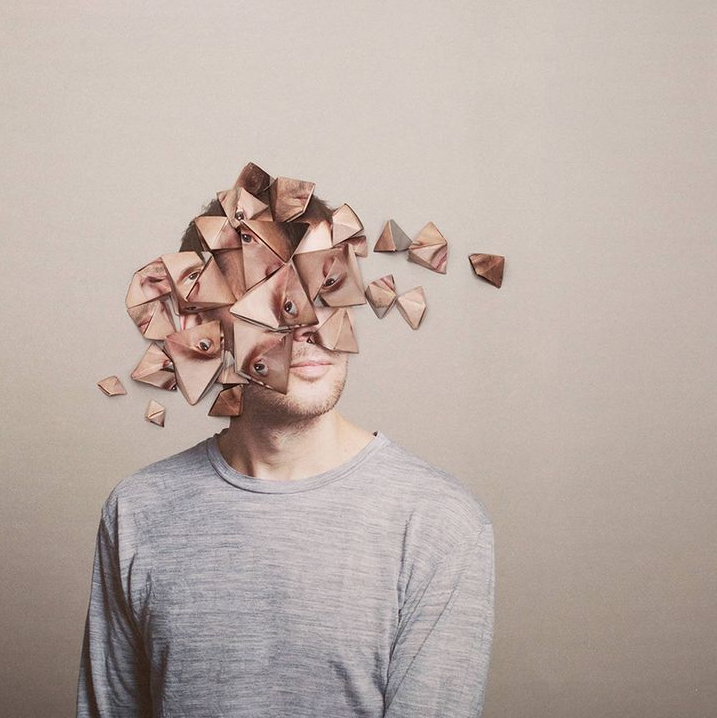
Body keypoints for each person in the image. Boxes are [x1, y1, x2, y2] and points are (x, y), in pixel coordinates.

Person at [76, 193, 495, 717]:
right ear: (200, 324)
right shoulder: (138, 510)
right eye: (269, 296)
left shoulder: (438, 522)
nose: (310, 324)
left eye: (329, 285)